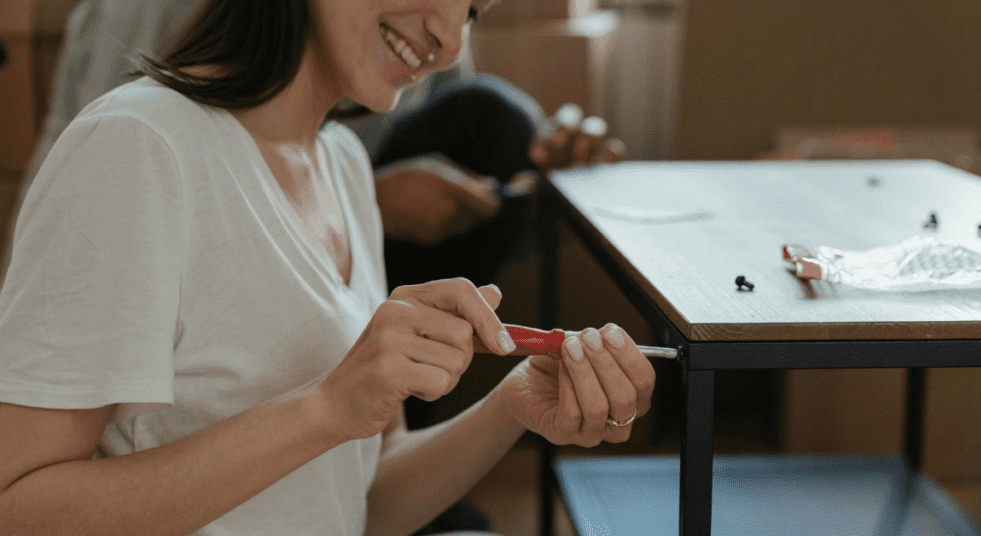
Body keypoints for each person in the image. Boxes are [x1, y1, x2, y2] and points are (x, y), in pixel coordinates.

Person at [0, 1, 655, 535]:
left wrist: (512, 405)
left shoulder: (340, 162)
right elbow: (16, 509)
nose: (450, 40)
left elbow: (362, 501)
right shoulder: (137, 146)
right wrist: (324, 409)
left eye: (475, 10)